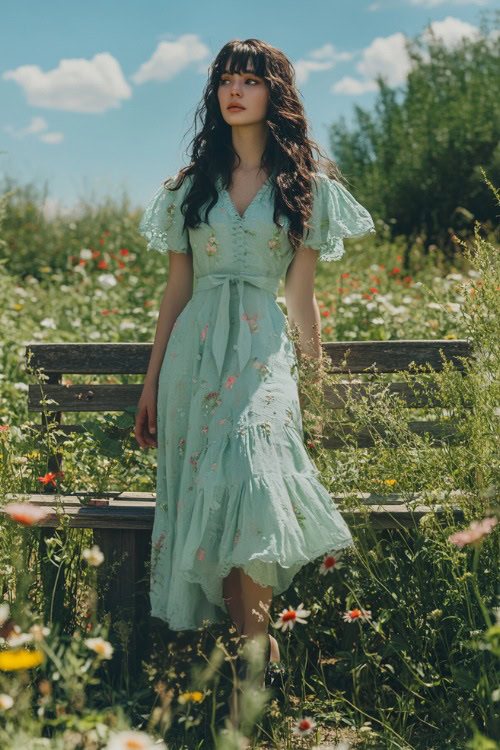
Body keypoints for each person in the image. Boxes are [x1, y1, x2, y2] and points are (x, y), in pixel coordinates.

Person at [135, 37, 375, 707]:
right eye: (226, 81)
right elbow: (175, 292)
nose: (235, 90)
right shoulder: (189, 188)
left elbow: (300, 296)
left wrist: (316, 385)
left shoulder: (308, 189)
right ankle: (253, 658)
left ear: (276, 94)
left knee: (254, 479)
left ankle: (251, 651)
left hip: (262, 351)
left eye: (251, 80)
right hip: (194, 357)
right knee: (218, 490)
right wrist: (151, 384)